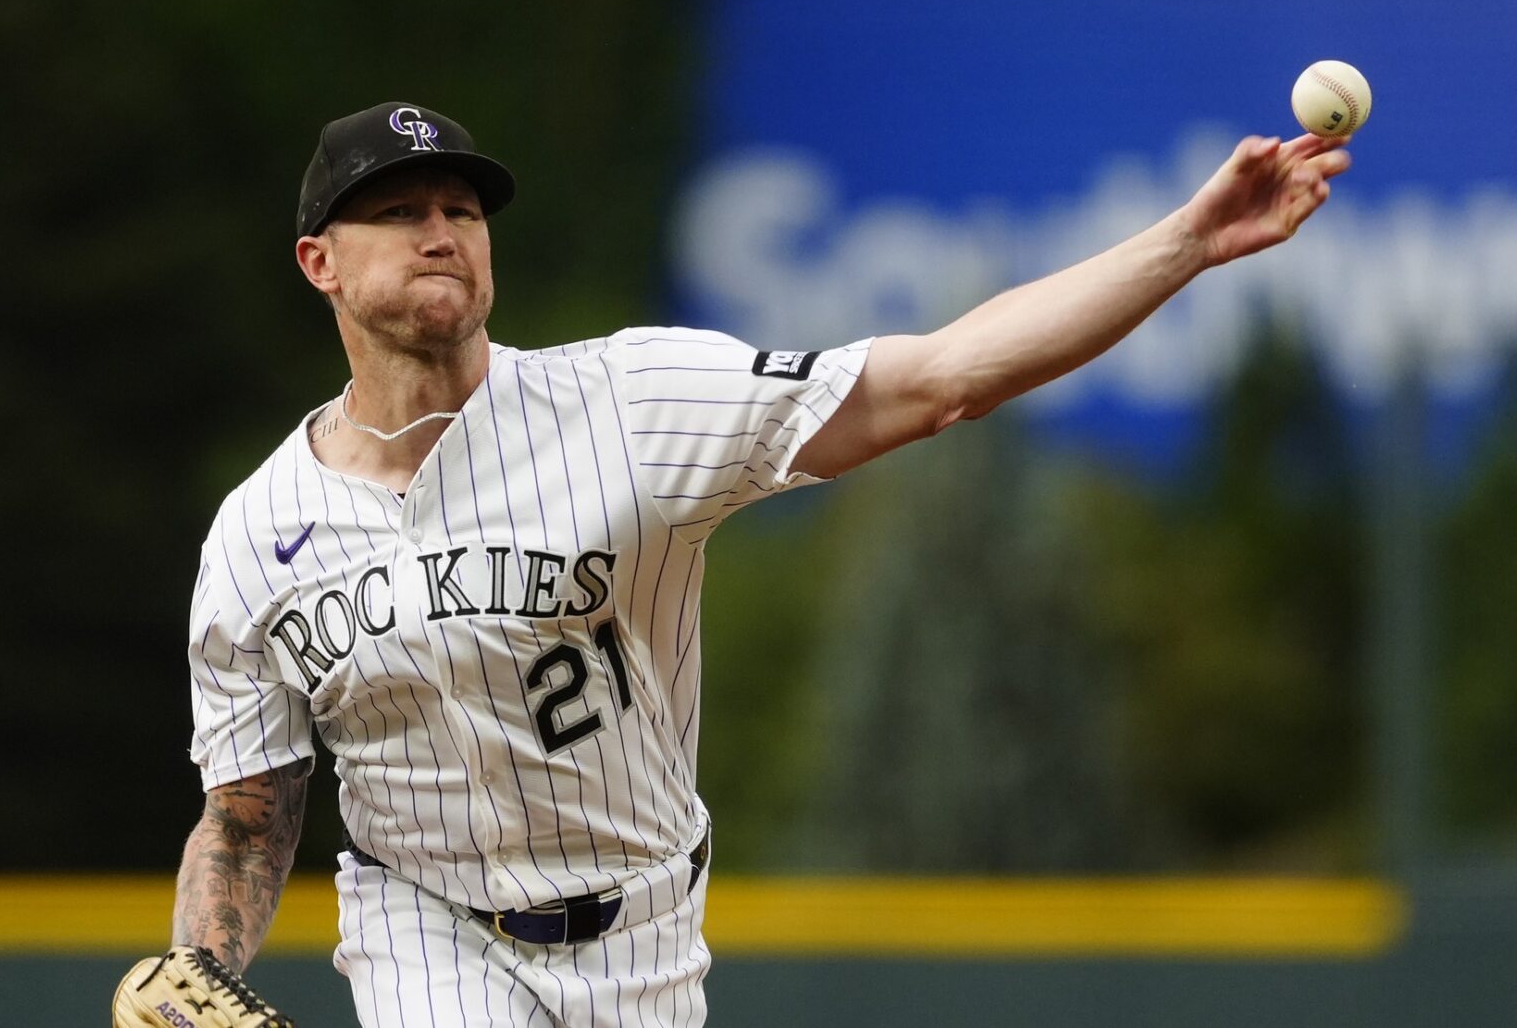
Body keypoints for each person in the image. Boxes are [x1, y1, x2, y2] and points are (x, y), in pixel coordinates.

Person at [169, 101, 1349, 1026]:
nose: (442, 231)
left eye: (460, 209)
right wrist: (201, 970)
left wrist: (1187, 241)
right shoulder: (255, 533)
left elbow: (936, 380)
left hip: (639, 927)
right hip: (421, 918)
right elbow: (248, 811)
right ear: (319, 261)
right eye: (400, 210)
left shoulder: (625, 399)